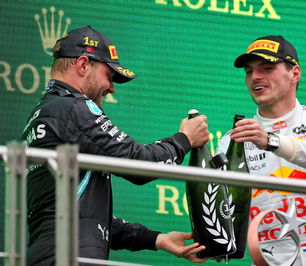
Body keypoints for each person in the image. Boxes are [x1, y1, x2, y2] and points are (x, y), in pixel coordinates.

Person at [21, 26, 209, 265]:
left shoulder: (43, 114)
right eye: (109, 76)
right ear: (82, 65)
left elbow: (88, 219)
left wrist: (156, 239)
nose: (111, 88)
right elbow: (140, 164)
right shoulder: (72, 108)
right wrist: (184, 140)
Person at [217, 35, 306, 265]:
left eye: (267, 68)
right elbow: (225, 208)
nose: (255, 77)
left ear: (295, 73)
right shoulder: (234, 140)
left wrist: (270, 141)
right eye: (249, 71)